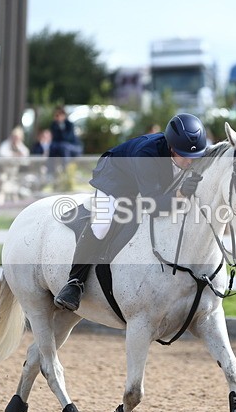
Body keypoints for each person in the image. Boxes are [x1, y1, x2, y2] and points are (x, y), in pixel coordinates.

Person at [53, 113, 208, 312]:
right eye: (185, 155)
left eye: (195, 156)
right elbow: (152, 204)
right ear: (171, 147)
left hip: (145, 182)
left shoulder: (187, 153)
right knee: (102, 225)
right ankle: (74, 283)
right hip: (115, 179)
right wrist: (179, 194)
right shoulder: (147, 154)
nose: (190, 161)